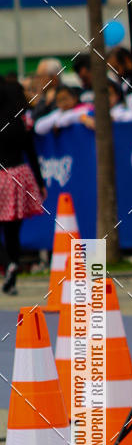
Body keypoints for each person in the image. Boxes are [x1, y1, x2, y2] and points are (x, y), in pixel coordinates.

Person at [0, 77, 46, 294]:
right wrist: (40, 182)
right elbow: (31, 152)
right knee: (13, 230)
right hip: (19, 174)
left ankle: (7, 263)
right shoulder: (21, 121)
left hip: (1, 175)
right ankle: (12, 276)